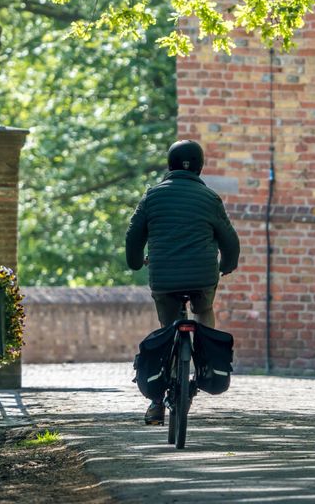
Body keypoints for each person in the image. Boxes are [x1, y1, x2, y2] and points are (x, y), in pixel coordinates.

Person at [126, 139, 241, 425]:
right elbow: (230, 241)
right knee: (203, 309)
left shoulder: (153, 197)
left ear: (170, 165)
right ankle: (203, 356)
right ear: (200, 167)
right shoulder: (210, 198)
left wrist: (136, 261)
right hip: (203, 277)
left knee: (168, 328)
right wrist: (226, 266)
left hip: (164, 278)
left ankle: (156, 403)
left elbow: (133, 236)